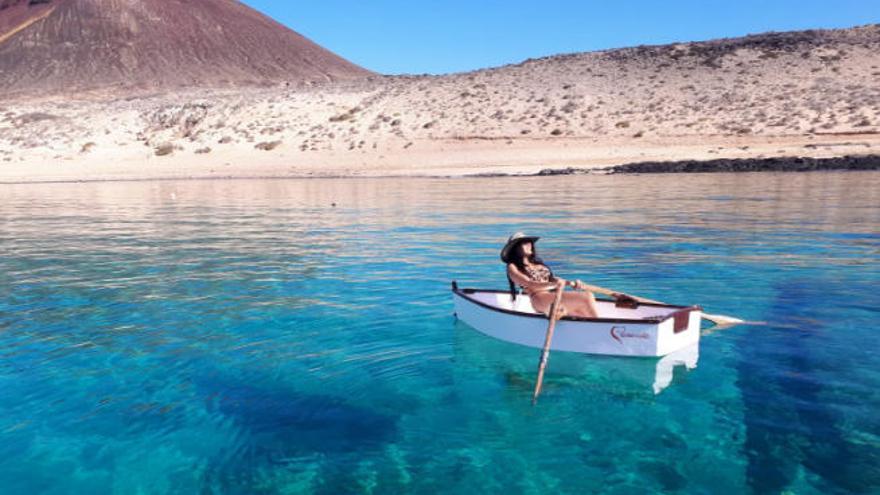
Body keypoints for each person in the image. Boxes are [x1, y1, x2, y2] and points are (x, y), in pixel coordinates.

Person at [501, 232, 607, 319]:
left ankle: (593, 329)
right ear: (515, 248)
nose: (529, 245)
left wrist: (571, 283)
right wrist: (555, 284)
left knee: (582, 310)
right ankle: (602, 328)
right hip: (539, 299)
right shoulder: (512, 266)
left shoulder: (538, 264)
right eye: (524, 243)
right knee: (587, 296)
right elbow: (529, 284)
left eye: (530, 242)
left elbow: (554, 279)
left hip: (552, 295)